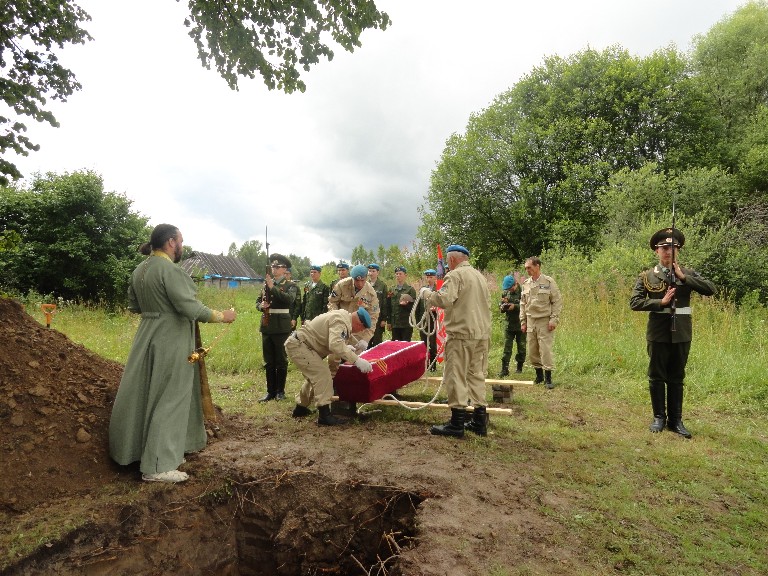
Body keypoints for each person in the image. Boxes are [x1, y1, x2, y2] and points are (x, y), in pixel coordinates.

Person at [109, 224, 236, 483]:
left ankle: (149, 453)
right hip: (171, 339)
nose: (182, 246)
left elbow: (134, 306)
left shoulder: (139, 270)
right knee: (171, 397)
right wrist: (223, 316)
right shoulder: (171, 270)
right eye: (181, 241)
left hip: (146, 336)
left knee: (146, 394)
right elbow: (191, 308)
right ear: (170, 242)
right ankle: (158, 465)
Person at [629, 227, 716, 438]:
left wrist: (683, 278)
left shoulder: (688, 274)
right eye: (664, 248)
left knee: (677, 377)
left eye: (673, 248)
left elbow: (710, 289)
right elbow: (635, 302)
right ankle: (659, 418)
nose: (669, 251)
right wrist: (660, 302)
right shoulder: (648, 276)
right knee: (657, 376)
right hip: (658, 333)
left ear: (678, 250)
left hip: (682, 334)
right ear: (656, 251)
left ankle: (676, 421)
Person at [419, 245, 491, 437]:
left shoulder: (455, 275)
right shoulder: (479, 276)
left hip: (461, 334)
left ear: (451, 259)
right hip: (481, 334)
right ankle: (479, 421)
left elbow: (444, 300)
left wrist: (426, 293)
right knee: (476, 375)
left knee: (456, 375)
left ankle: (457, 423)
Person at [287, 307, 373, 425]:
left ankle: (300, 408)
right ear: (359, 323)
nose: (360, 331)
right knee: (322, 375)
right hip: (300, 346)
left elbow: (336, 338)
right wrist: (357, 360)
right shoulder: (341, 321)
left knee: (314, 377)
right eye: (362, 329)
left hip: (304, 345)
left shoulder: (343, 318)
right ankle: (324, 415)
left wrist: (350, 346)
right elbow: (335, 345)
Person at [257, 253, 298, 402]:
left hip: (281, 327)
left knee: (281, 360)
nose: (274, 269)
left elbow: (289, 300)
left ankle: (280, 391)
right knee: (268, 361)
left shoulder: (290, 285)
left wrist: (272, 287)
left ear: (284, 269)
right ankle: (270, 391)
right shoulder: (266, 285)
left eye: (277, 267)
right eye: (273, 266)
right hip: (267, 325)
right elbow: (257, 302)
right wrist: (261, 306)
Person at [327, 264, 380, 375]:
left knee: (356, 360)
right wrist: (336, 317)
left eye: (363, 280)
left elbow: (373, 317)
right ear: (352, 278)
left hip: (358, 330)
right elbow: (332, 302)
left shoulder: (371, 293)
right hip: (340, 326)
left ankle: (352, 381)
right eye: (357, 280)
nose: (360, 284)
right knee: (333, 357)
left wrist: (366, 339)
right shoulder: (342, 285)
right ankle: (333, 380)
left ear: (366, 278)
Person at [520, 257, 562, 389]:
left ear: (537, 266)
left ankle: (548, 378)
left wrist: (553, 319)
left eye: (529, 267)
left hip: (544, 320)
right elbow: (522, 304)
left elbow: (557, 301)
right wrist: (523, 321)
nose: (527, 270)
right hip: (530, 320)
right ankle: (539, 375)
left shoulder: (548, 282)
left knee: (545, 349)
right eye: (526, 268)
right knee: (532, 350)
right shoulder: (526, 283)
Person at [498, 274, 526, 376]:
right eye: (508, 289)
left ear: (515, 284)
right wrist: (502, 306)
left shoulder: (523, 292)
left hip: (520, 325)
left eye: (511, 288)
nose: (509, 290)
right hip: (509, 325)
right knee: (507, 347)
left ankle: (519, 367)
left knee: (521, 347)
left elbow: (527, 306)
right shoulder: (505, 293)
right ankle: (504, 369)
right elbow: (501, 305)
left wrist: (514, 307)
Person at [388, 266, 417, 341]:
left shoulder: (410, 290)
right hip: (395, 323)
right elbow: (389, 306)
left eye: (400, 274)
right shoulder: (392, 289)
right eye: (397, 274)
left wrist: (406, 304)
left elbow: (414, 307)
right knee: (396, 344)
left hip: (406, 323)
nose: (398, 276)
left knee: (405, 344)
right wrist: (389, 322)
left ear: (405, 275)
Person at [417, 269, 439, 371]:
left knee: (433, 344)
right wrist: (418, 321)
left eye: (431, 277)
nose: (429, 279)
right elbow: (418, 306)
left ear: (435, 278)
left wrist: (436, 309)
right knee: (424, 344)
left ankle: (433, 366)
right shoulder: (423, 290)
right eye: (427, 277)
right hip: (424, 321)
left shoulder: (438, 289)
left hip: (434, 321)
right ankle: (425, 364)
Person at [367, 263, 388, 347]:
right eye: (369, 271)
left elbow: (385, 303)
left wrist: (384, 319)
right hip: (367, 318)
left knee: (377, 343)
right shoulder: (365, 284)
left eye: (373, 271)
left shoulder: (382, 285)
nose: (371, 273)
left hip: (378, 319)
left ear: (377, 272)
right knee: (366, 343)